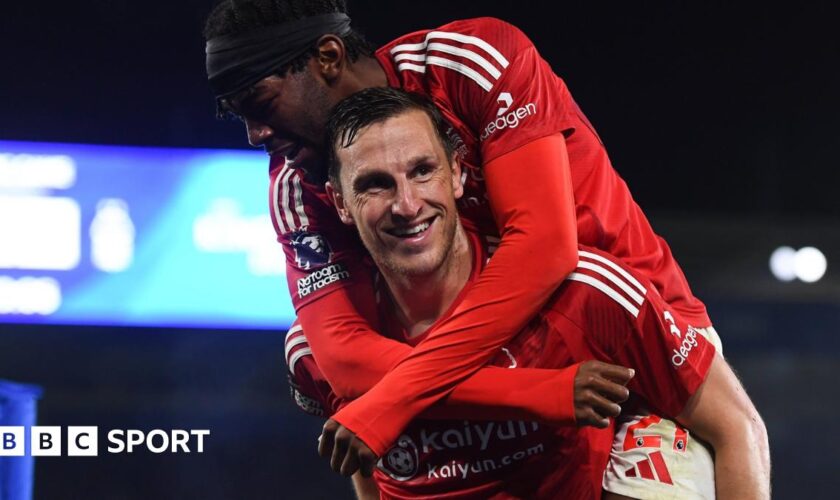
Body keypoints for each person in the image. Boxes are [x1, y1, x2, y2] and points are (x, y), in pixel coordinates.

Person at [203, 0, 723, 475]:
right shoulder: (297, 184)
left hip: (634, 352)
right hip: (486, 386)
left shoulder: (468, 65)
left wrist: (392, 400)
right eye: (238, 113)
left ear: (329, 57)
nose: (254, 134)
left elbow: (542, 248)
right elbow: (347, 358)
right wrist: (537, 391)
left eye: (261, 103)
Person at [287, 87, 769, 499]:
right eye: (375, 185)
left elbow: (736, 429)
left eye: (422, 171)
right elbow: (364, 465)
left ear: (457, 173)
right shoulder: (315, 352)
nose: (407, 204)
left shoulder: (588, 295)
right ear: (340, 204)